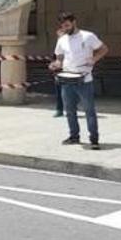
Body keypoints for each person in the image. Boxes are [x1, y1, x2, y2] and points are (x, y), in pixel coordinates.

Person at [48, 12, 108, 150]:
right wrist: (55, 64)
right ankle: (74, 136)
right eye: (63, 26)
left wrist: (94, 59)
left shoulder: (88, 36)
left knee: (89, 110)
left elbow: (104, 49)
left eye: (67, 25)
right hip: (67, 78)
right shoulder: (62, 39)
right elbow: (59, 58)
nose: (65, 28)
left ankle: (94, 138)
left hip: (84, 79)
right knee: (69, 109)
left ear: (74, 22)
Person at [53, 28, 65, 118]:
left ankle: (72, 109)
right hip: (59, 72)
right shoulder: (58, 46)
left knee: (72, 92)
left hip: (71, 71)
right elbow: (55, 60)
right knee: (59, 91)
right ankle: (59, 109)